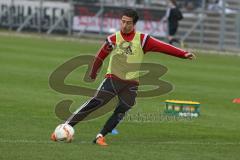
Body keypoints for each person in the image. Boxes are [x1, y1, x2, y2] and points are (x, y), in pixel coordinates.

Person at [51, 8, 195, 146]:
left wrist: (183, 54)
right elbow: (100, 56)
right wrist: (93, 72)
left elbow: (163, 47)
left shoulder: (143, 40)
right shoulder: (113, 39)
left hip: (131, 84)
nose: (125, 25)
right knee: (95, 103)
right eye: (123, 21)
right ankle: (65, 127)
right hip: (113, 79)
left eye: (128, 22)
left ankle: (100, 136)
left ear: (134, 24)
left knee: (122, 110)